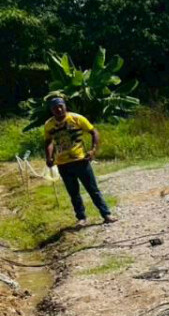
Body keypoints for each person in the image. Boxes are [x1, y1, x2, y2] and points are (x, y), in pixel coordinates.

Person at [43, 97, 117, 227]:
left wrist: (93, 150)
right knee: (73, 193)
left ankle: (106, 214)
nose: (58, 109)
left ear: (65, 106)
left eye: (60, 106)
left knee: (92, 189)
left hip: (80, 161)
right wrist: (49, 157)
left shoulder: (76, 118)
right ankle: (81, 218)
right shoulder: (49, 125)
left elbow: (94, 132)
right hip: (63, 164)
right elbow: (49, 141)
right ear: (51, 110)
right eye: (55, 108)